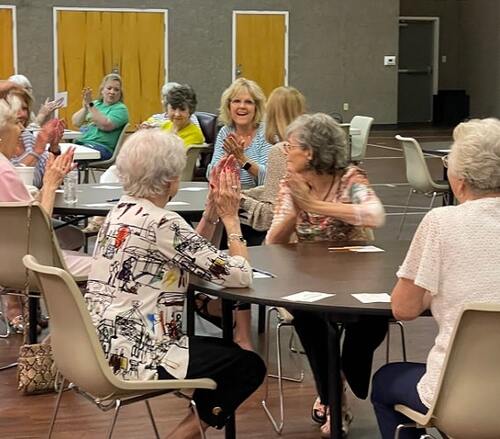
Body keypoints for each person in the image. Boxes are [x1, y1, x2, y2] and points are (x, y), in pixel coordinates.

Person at [84, 129, 265, 438]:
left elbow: (190, 257)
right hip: (140, 354)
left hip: (98, 347)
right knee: (246, 366)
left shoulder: (120, 212)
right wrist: (232, 219)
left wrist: (211, 214)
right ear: (171, 180)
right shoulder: (163, 222)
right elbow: (240, 275)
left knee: (223, 357)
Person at [371, 118, 500, 439]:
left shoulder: (442, 222)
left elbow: (403, 309)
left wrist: (437, 289)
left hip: (458, 400)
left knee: (386, 381)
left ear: (459, 181)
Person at [266, 113, 386, 437]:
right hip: (311, 276)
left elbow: (375, 215)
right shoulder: (292, 183)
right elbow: (272, 241)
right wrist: (296, 209)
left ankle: (340, 379)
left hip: (357, 275)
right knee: (308, 316)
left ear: (310, 152)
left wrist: (316, 206)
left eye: (290, 145)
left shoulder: (349, 178)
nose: (284, 151)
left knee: (374, 318)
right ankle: (335, 400)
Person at [0, 81, 91, 331]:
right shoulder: (5, 171)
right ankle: (74, 337)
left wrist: (50, 174)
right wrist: (50, 184)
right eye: (15, 123)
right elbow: (35, 230)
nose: (21, 129)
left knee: (72, 237)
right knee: (106, 266)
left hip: (5, 263)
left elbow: (25, 214)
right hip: (28, 263)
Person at [239, 86, 306, 238]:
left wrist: (240, 200)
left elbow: (270, 215)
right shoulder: (306, 147)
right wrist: (245, 194)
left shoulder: (281, 151)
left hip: (288, 240)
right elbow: (275, 188)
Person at [206, 77, 271, 190]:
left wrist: (242, 159)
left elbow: (269, 177)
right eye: (236, 101)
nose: (242, 106)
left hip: (257, 198)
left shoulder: (266, 133)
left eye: (248, 102)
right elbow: (211, 175)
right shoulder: (226, 131)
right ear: (229, 106)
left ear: (256, 108)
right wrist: (227, 158)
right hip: (229, 195)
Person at [7, 85, 64, 188]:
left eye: (24, 108)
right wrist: (37, 151)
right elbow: (10, 182)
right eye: (15, 108)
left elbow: (52, 177)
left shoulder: (27, 137)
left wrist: (54, 148)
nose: (22, 114)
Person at [72, 73, 129, 161]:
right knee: (56, 153)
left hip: (101, 147)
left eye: (116, 90)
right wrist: (86, 108)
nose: (112, 92)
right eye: (109, 88)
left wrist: (90, 105)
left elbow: (105, 125)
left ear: (120, 93)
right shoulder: (96, 104)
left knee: (69, 157)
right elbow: (76, 122)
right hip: (82, 143)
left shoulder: (121, 109)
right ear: (102, 90)